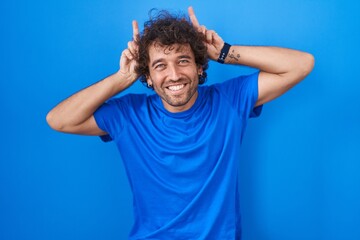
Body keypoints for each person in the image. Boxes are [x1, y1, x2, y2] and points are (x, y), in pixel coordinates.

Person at [46, 6, 314, 240]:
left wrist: (224, 52)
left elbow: (302, 64)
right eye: (160, 65)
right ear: (147, 76)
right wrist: (121, 78)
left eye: (183, 61)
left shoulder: (229, 100)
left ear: (199, 66)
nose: (174, 75)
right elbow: (58, 120)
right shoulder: (128, 115)